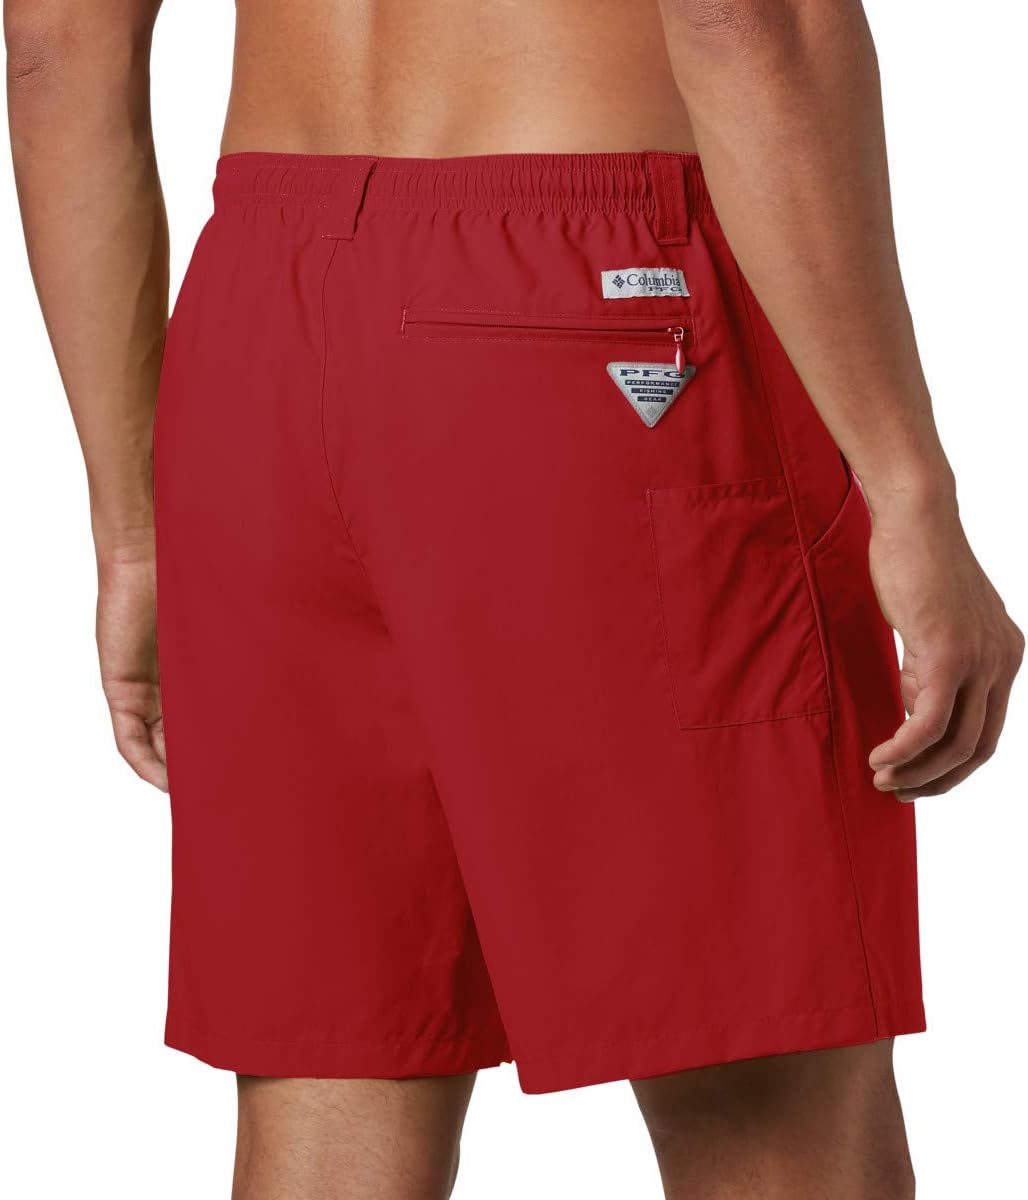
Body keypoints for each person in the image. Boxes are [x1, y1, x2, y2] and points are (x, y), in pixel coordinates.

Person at [6, 0, 1022, 1196]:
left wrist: (132, 530)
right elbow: (749, 20)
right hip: (581, 309)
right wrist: (906, 485)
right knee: (761, 1080)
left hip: (259, 330)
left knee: (337, 1068)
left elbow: (54, 42)